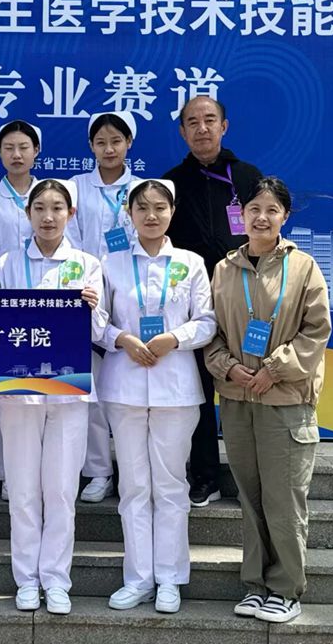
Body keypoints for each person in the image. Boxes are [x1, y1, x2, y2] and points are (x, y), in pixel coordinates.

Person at [204, 177, 331, 624]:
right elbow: (210, 331)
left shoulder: (304, 268)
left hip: (285, 400)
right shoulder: (224, 269)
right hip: (238, 399)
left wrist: (273, 370)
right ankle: (256, 585)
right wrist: (228, 368)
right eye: (254, 209)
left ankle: (285, 589)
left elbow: (316, 331)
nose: (261, 217)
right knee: (251, 497)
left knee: (284, 499)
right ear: (242, 215)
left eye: (271, 210)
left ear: (285, 216)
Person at [96, 179, 216, 615]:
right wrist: (121, 338)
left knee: (170, 485)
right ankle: (138, 578)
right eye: (142, 207)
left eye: (160, 207)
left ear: (172, 212)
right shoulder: (109, 264)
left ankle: (169, 578)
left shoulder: (191, 263)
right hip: (124, 386)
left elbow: (207, 321)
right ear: (130, 214)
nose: (151, 215)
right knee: (133, 486)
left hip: (176, 389)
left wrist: (175, 338)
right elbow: (95, 320)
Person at [0, 179, 105, 615]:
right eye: (39, 208)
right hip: (19, 392)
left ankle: (56, 579)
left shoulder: (87, 264)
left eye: (57, 208)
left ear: (71, 214)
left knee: (59, 491)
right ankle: (26, 579)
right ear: (28, 214)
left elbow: (100, 331)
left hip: (67, 393)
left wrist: (91, 308)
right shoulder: (7, 263)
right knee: (23, 490)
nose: (48, 216)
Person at [163, 96, 262, 508]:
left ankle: (253, 478)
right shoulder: (171, 184)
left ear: (224, 126)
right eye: (192, 122)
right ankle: (205, 476)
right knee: (200, 392)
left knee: (250, 384)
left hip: (245, 299)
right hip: (193, 305)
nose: (201, 128)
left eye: (209, 120)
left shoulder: (248, 177)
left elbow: (265, 231)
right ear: (182, 132)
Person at [0, 120, 60, 501]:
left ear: (37, 151)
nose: (17, 154)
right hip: (4, 307)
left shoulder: (50, 194)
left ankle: (49, 477)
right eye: (9, 148)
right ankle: (10, 476)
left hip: (50, 313)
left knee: (50, 399)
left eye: (24, 147)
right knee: (8, 399)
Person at [69, 111, 140, 504]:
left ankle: (133, 471)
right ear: (91, 146)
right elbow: (69, 239)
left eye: (116, 141)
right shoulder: (75, 187)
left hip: (130, 292)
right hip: (87, 293)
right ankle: (98, 471)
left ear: (129, 143)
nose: (109, 148)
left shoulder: (141, 188)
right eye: (101, 142)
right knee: (91, 389)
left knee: (129, 389)